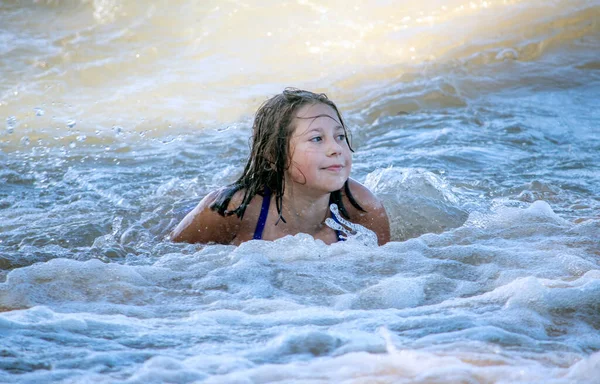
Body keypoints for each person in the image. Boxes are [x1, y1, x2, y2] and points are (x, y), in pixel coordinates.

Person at [170, 88, 390, 246]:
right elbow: (171, 262)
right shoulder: (231, 210)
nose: (336, 148)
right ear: (274, 155)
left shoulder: (363, 209)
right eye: (316, 139)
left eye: (340, 136)